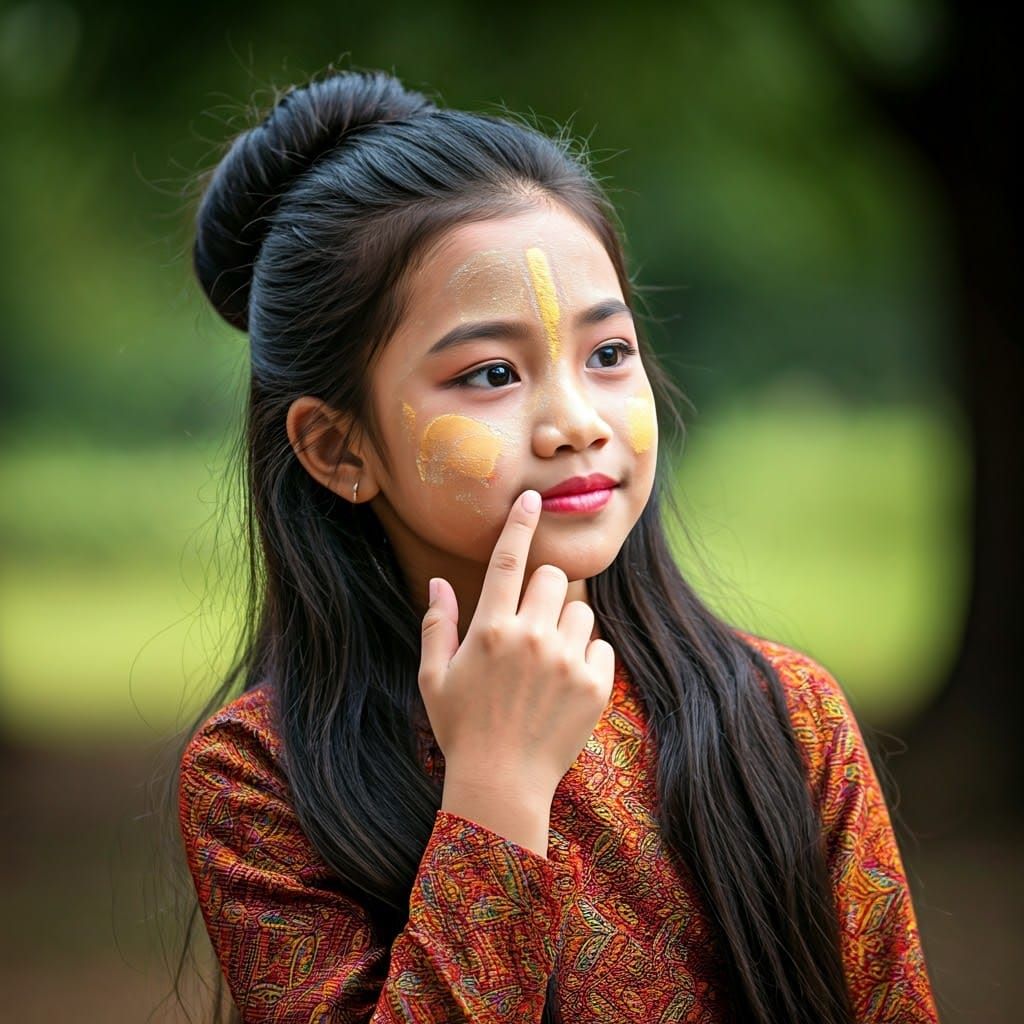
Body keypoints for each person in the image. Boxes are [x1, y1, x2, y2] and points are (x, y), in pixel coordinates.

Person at [176, 67, 940, 1024]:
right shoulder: (261, 775)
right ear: (339, 448)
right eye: (493, 373)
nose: (576, 420)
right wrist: (494, 792)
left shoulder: (785, 720)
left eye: (608, 355)